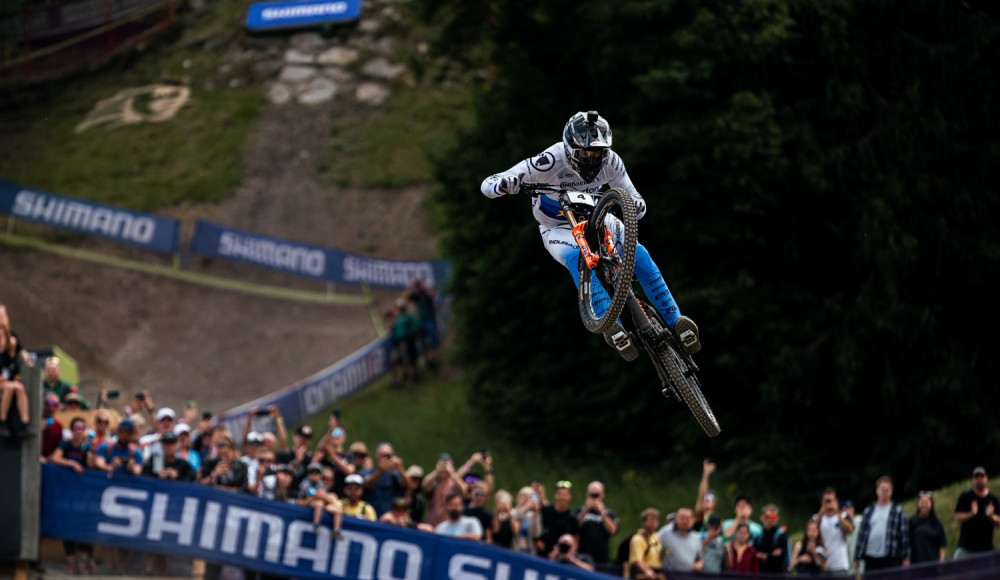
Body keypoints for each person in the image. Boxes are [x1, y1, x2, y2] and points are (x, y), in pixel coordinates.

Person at [479, 111, 701, 361]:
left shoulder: (612, 162)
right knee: (578, 259)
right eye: (584, 153)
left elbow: (636, 198)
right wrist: (505, 184)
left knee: (640, 255)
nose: (591, 160)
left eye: (598, 153)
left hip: (597, 216)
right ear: (569, 148)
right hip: (557, 227)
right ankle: (611, 323)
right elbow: (488, 183)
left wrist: (636, 206)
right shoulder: (550, 160)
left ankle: (677, 321)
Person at [49, 417, 97, 574]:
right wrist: (72, 463)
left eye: (82, 427)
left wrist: (90, 446)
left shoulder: (85, 446)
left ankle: (83, 563)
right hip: (66, 492)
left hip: (83, 495)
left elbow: (90, 464)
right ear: (71, 429)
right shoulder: (65, 444)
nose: (78, 430)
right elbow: (54, 458)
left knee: (84, 524)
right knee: (67, 524)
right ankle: (70, 561)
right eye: (76, 427)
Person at [853, 476, 911, 570]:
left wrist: (907, 557)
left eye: (887, 489)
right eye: (882, 489)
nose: (884, 491)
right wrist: (856, 557)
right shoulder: (868, 511)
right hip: (871, 556)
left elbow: (905, 536)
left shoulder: (899, 511)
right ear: (877, 491)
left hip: (891, 555)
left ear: (891, 492)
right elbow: (861, 535)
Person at [954, 466, 1000, 558]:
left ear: (986, 478)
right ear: (973, 479)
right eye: (976, 477)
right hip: (966, 548)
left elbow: (998, 522)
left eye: (981, 477)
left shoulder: (993, 499)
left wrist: (991, 516)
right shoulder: (965, 497)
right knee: (956, 570)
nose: (979, 479)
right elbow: (957, 517)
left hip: (986, 549)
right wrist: (971, 514)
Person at [574, 481, 618, 565]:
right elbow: (574, 526)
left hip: (601, 559)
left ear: (603, 495)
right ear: (587, 495)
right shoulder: (578, 511)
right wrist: (586, 509)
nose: (594, 498)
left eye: (597, 495)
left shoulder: (609, 514)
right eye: (592, 495)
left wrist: (602, 512)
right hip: (581, 557)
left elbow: (612, 531)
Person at [362, 443, 407, 517]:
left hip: (388, 519)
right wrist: (380, 471)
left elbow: (406, 484)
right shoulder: (369, 472)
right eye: (383, 456)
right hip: (369, 516)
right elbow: (366, 484)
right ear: (377, 456)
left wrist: (401, 470)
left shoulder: (394, 474)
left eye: (388, 456)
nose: (385, 459)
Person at [422, 453, 468, 526]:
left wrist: (451, 473)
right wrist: (437, 471)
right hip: (432, 526)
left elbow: (464, 490)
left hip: (449, 528)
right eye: (441, 464)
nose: (444, 467)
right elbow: (424, 485)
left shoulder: (455, 484)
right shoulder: (434, 483)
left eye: (448, 464)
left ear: (453, 467)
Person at [817, 487, 854, 574]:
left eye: (830, 500)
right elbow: (810, 531)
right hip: (822, 565)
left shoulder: (844, 516)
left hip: (840, 565)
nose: (828, 503)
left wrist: (837, 512)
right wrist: (821, 512)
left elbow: (850, 530)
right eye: (826, 500)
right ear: (821, 501)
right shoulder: (817, 517)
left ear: (836, 501)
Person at [539, 480, 580, 557]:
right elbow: (536, 530)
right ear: (555, 495)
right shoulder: (544, 512)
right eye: (559, 494)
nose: (562, 497)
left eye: (565, 494)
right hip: (542, 556)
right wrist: (537, 541)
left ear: (569, 496)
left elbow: (576, 542)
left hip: (561, 559)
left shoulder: (573, 519)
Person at [909, 491, 946, 564]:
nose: (924, 505)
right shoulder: (911, 522)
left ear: (931, 504)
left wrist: (941, 562)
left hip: (933, 564)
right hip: (915, 565)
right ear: (918, 503)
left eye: (927, 502)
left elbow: (941, 545)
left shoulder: (937, 523)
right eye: (922, 502)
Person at [629, 508, 665, 580]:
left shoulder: (656, 537)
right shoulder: (638, 539)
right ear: (644, 522)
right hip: (643, 576)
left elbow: (658, 558)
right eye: (651, 520)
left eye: (656, 520)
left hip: (656, 574)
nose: (653, 523)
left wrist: (664, 554)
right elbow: (638, 561)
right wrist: (647, 571)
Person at [274, 425, 314, 489]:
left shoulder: (310, 459)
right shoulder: (284, 455)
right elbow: (280, 474)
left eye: (306, 438)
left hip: (303, 494)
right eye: (300, 436)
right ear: (294, 436)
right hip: (286, 492)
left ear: (309, 441)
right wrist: (297, 461)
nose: (303, 440)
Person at [392, 298, 420, 386]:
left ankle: (410, 379)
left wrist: (407, 333)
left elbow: (415, 327)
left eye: (399, 307)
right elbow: (396, 328)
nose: (398, 309)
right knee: (396, 360)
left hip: (407, 342)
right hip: (399, 342)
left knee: (408, 361)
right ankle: (399, 378)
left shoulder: (408, 317)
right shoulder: (398, 317)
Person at [754, 504, 789, 573]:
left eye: (773, 517)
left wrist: (764, 556)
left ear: (778, 518)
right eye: (768, 517)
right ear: (762, 517)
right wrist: (770, 555)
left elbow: (779, 558)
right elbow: (754, 556)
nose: (770, 520)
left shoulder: (781, 534)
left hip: (778, 574)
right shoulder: (759, 536)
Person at [514, 487, 544, 555]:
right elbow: (517, 517)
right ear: (518, 498)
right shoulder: (512, 512)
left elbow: (537, 533)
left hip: (529, 551)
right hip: (515, 549)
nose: (526, 499)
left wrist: (536, 514)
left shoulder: (531, 516)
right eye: (524, 497)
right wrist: (526, 508)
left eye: (529, 497)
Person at [693, 459, 716, 532]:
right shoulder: (699, 516)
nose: (707, 500)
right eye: (706, 499)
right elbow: (702, 495)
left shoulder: (717, 520)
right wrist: (705, 475)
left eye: (710, 499)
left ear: (714, 503)